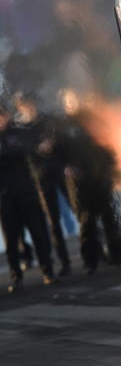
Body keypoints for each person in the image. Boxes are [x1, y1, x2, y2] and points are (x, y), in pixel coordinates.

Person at [57, 89, 121, 274]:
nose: (73, 103)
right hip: (80, 182)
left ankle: (119, 254)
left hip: (101, 176)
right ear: (64, 104)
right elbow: (56, 153)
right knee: (87, 221)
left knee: (111, 216)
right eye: (69, 100)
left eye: (75, 99)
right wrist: (65, 167)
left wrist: (114, 168)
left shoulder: (91, 120)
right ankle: (91, 261)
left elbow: (108, 144)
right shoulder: (61, 126)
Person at [0, 95, 56, 292]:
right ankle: (16, 277)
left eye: (2, 114)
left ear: (7, 115)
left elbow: (36, 148)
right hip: (5, 198)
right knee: (12, 241)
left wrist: (43, 146)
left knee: (38, 233)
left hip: (26, 192)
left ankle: (47, 270)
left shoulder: (20, 133)